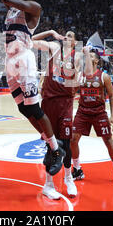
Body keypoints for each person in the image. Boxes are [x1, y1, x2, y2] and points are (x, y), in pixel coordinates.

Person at [0, 0, 65, 176]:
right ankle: (48, 141)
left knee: (34, 108)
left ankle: (56, 149)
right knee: (22, 108)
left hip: (24, 59)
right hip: (10, 61)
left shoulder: (34, 8)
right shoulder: (12, 9)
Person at [31, 29, 82, 199]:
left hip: (65, 102)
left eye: (70, 36)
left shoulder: (78, 56)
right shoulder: (54, 47)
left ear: (74, 42)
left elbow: (77, 82)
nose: (67, 37)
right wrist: (51, 32)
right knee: (50, 144)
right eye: (65, 35)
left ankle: (69, 178)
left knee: (66, 144)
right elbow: (30, 40)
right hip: (49, 102)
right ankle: (48, 184)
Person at [70, 47, 113, 187]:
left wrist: (112, 116)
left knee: (108, 140)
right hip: (82, 111)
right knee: (73, 139)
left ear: (95, 60)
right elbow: (72, 92)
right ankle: (77, 169)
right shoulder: (80, 75)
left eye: (89, 56)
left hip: (99, 112)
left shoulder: (103, 76)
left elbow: (112, 95)